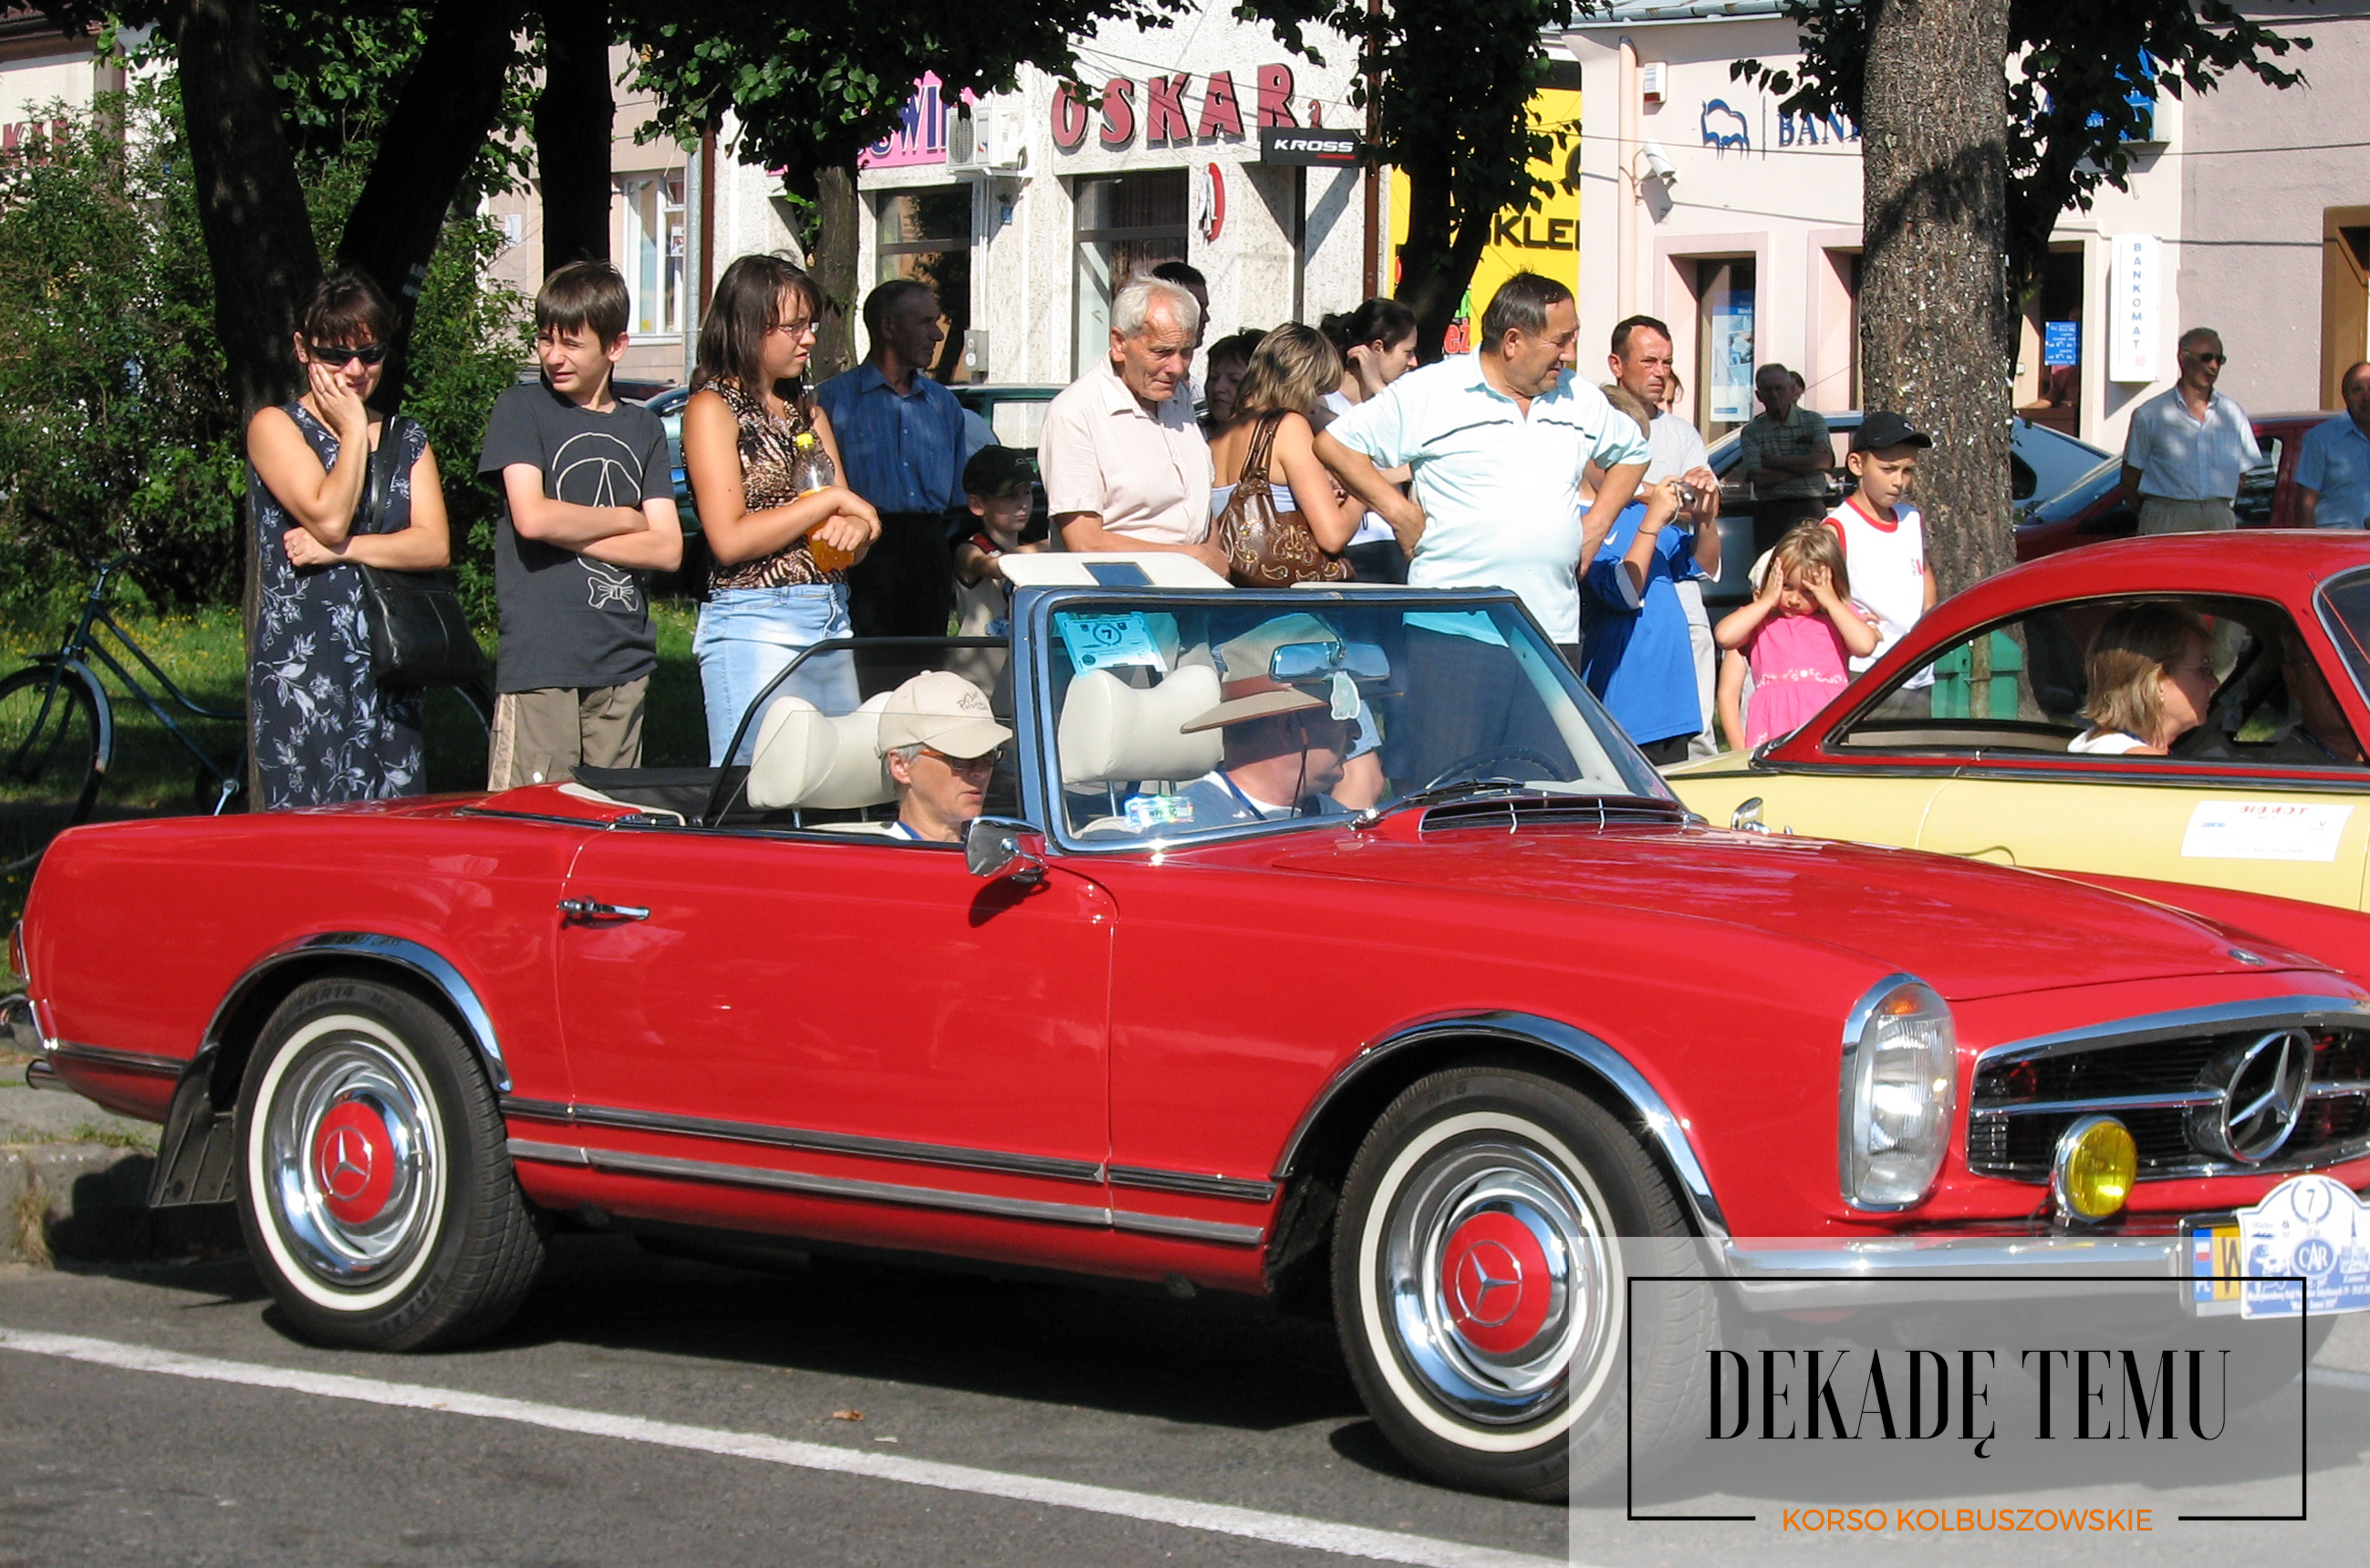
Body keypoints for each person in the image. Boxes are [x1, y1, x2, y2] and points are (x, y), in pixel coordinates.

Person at [1315, 271, 1650, 659]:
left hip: (1551, 631)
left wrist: (1596, 525)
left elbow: (1633, 453)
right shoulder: (1434, 389)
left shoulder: (1578, 396)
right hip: (1452, 631)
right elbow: (1336, 444)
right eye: (1560, 341)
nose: (1570, 354)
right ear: (1512, 342)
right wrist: (1399, 513)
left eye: (1572, 337)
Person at [246, 268, 452, 808]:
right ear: (301, 350)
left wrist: (344, 551)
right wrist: (354, 430)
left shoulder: (408, 437)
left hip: (387, 664)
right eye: (336, 356)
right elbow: (330, 515)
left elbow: (432, 545)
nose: (356, 370)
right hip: (304, 667)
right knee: (308, 843)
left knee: (393, 834)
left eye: (371, 353)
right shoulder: (275, 428)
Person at [478, 261, 682, 790]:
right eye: (544, 340)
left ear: (615, 346)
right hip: (543, 656)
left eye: (571, 343)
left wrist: (580, 527)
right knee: (533, 819)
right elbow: (533, 515)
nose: (552, 356)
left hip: (622, 657)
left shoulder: (643, 427)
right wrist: (622, 518)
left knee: (611, 819)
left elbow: (666, 550)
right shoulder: (521, 408)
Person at [682, 254, 880, 765]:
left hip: (830, 613)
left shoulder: (806, 411)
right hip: (755, 623)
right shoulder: (713, 408)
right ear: (749, 326)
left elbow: (848, 528)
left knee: (838, 785)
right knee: (758, 789)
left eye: (810, 325)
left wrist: (853, 532)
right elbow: (728, 539)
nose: (808, 339)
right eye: (793, 326)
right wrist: (832, 502)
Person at [812, 279, 967, 639]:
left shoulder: (943, 405)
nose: (937, 336)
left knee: (924, 664)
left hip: (929, 548)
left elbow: (957, 496)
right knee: (869, 662)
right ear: (888, 327)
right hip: (863, 549)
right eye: (925, 322)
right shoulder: (834, 402)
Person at [1040, 275, 1223, 570]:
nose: (1176, 368)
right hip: (1122, 601)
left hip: (1193, 595)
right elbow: (1085, 542)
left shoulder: (1177, 399)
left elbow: (1197, 504)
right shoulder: (1075, 413)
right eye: (1161, 352)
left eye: (1186, 351)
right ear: (1119, 343)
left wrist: (1210, 561)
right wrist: (1189, 558)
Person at [1607, 314, 1721, 756]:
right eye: (1649, 361)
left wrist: (1699, 495)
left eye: (1667, 362)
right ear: (1617, 364)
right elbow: (1597, 485)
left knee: (1694, 737)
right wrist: (1660, 495)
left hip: (1678, 590)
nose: (1660, 372)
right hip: (1620, 586)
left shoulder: (1681, 432)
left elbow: (1703, 507)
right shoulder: (1598, 421)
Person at [1577, 390, 1698, 763]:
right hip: (1624, 705)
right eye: (1623, 454)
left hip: (1672, 701)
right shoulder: (1579, 519)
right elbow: (1625, 594)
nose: (1636, 468)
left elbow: (1699, 565)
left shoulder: (1636, 508)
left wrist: (1708, 516)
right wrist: (1652, 520)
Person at [1174, 614, 1361, 825]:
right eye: (1341, 713)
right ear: (1288, 725)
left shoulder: (1336, 817)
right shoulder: (1186, 830)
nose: (1357, 731)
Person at [1713, 521, 1878, 750]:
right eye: (1787, 587)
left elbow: (1864, 645)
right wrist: (1768, 601)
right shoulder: (1760, 622)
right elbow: (1724, 636)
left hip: (1827, 724)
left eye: (1808, 592)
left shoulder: (1837, 618)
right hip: (1774, 726)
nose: (1793, 599)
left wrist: (1830, 600)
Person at [1208, 325, 1362, 561]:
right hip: (1282, 589)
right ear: (1301, 382)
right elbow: (1333, 535)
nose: (1315, 406)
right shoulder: (1288, 427)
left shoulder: (1223, 431)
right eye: (1317, 391)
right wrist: (1365, 487)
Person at [1824, 410, 1937, 671]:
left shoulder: (1911, 519)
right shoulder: (1838, 528)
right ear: (1856, 464)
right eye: (1888, 469)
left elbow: (1924, 570)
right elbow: (1820, 592)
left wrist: (1927, 619)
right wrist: (1850, 616)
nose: (1899, 481)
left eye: (1908, 471)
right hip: (1865, 670)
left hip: (1916, 667)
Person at [2119, 327, 2261, 534]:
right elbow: (2130, 477)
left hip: (2217, 515)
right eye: (2206, 358)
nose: (2213, 366)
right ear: (2183, 359)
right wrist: (2155, 517)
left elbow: (2242, 475)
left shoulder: (2232, 413)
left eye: (2219, 359)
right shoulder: (2151, 414)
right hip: (2167, 514)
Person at [1319, 297, 1420, 583]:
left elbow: (1418, 462)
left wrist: (1377, 385)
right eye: (1407, 352)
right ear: (1378, 348)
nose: (1413, 362)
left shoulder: (1398, 402)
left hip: (1392, 543)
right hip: (1346, 547)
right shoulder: (1321, 403)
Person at [875, 670, 1013, 842]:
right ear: (901, 766)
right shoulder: (881, 863)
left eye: (989, 755)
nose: (981, 772)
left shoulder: (1000, 856)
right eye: (961, 757)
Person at [2067, 602, 2217, 755]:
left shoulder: (2104, 744)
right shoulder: (2142, 761)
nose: (2214, 684)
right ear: (2158, 681)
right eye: (2202, 670)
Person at [949, 444, 1042, 687]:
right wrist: (1055, 545)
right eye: (1011, 496)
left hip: (1020, 673)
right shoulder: (969, 550)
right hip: (977, 679)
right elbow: (991, 567)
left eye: (1027, 493)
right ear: (977, 504)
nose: (1023, 504)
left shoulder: (1032, 548)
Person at [1735, 363, 1834, 536]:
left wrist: (1775, 462)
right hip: (1771, 513)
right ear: (1759, 396)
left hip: (1810, 508)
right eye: (1767, 390)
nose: (1774, 395)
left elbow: (1824, 461)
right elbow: (1758, 478)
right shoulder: (1752, 431)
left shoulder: (1813, 421)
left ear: (1791, 389)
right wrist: (1806, 467)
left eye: (1779, 388)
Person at [2295, 361, 2370, 529]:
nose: (2367, 397)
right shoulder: (2320, 439)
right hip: (2338, 547)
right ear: (2345, 396)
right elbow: (2305, 507)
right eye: (2357, 390)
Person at [1201, 328, 1262, 432]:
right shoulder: (1192, 437)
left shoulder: (1281, 439)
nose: (1218, 388)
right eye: (1213, 377)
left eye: (1234, 380)